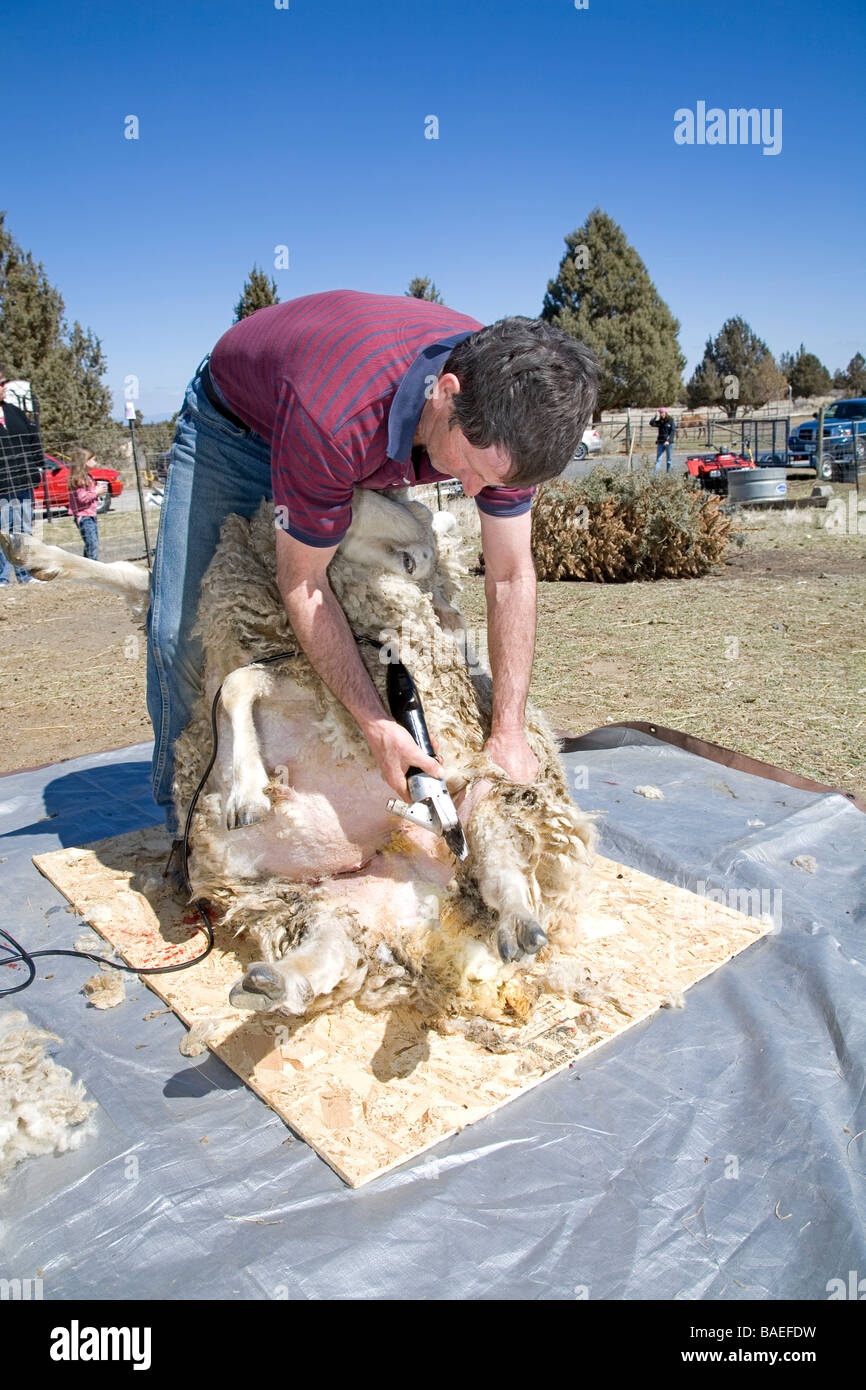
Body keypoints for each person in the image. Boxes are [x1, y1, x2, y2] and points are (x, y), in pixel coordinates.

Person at [148, 290, 598, 861]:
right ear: (448, 394)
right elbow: (303, 585)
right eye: (475, 471)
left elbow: (510, 575)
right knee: (180, 631)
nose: (479, 493)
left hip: (358, 435)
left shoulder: (510, 416)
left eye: (496, 479)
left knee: (375, 620)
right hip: (237, 431)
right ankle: (186, 825)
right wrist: (374, 724)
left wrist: (507, 729)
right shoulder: (337, 418)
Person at [0, 366, 46, 585]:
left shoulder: (15, 412)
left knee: (24, 530)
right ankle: (2, 578)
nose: (3, 388)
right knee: (2, 534)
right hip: (1, 487)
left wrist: (37, 466)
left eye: (3, 383)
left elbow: (32, 439)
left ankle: (25, 575)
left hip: (22, 482)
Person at [66, 446, 108, 558]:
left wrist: (96, 489)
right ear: (85, 462)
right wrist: (96, 492)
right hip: (84, 517)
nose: (96, 462)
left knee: (91, 544)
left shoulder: (87, 477)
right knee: (92, 545)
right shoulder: (80, 479)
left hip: (90, 515)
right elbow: (82, 498)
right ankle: (93, 567)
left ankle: (89, 566)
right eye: (93, 459)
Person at [650, 406, 676, 472]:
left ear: (665, 412)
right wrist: (655, 416)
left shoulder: (670, 421)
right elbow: (652, 423)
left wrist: (668, 440)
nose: (661, 414)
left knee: (669, 460)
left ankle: (669, 474)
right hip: (660, 442)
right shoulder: (660, 422)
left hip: (669, 443)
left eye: (662, 412)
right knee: (658, 459)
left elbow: (672, 432)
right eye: (660, 413)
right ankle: (654, 475)